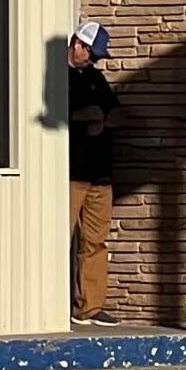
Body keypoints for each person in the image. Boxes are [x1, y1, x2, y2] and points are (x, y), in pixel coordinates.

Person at [67, 21, 122, 323]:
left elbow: (116, 110)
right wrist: (82, 117)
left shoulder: (95, 78)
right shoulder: (56, 77)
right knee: (58, 238)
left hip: (99, 173)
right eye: (91, 54)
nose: (93, 61)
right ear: (77, 44)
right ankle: (48, 304)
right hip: (71, 171)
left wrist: (106, 118)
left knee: (95, 241)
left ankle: (89, 306)